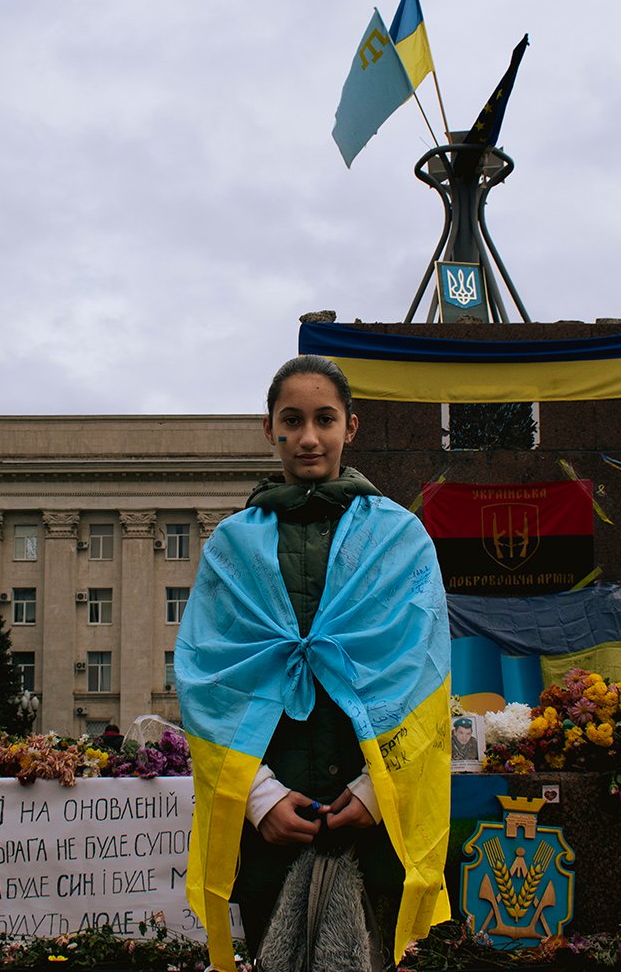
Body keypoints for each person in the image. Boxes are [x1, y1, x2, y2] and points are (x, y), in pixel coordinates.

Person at [177, 356, 452, 972]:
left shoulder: (400, 538)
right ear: (268, 429)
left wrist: (374, 793)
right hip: (272, 821)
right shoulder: (231, 544)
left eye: (325, 419)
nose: (308, 437)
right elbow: (205, 681)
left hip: (373, 815)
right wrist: (260, 797)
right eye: (291, 420)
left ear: (351, 427)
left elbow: (422, 672)